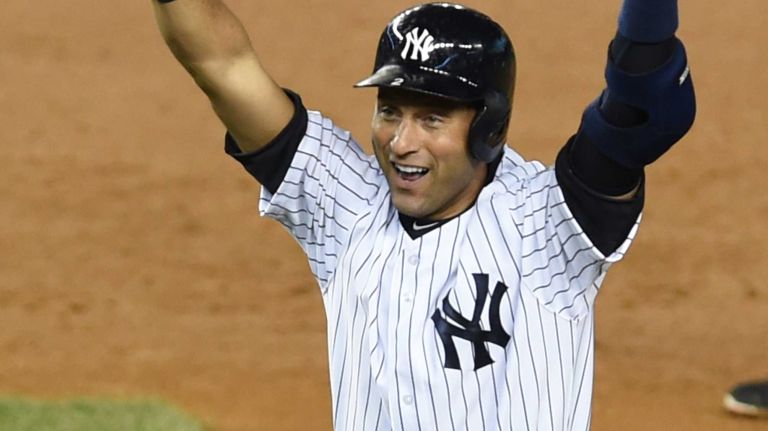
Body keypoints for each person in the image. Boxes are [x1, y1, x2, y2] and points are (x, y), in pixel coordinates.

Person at [152, 0, 695, 429]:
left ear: (488, 127)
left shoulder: (548, 225)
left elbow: (645, 103)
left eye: (432, 118)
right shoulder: (344, 202)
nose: (401, 142)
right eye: (390, 110)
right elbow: (220, 64)